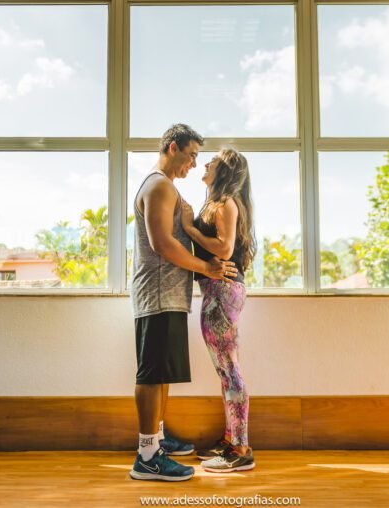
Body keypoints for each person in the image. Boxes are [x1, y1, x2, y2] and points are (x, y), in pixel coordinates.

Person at [129, 124, 238, 482]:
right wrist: (207, 266)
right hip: (158, 294)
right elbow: (162, 244)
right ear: (172, 147)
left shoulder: (166, 187)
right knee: (150, 373)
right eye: (191, 155)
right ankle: (147, 456)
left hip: (168, 294)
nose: (194, 164)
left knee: (160, 372)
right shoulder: (159, 185)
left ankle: (157, 439)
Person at [180, 147, 256, 473]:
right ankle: (230, 440)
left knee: (229, 369)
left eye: (213, 160)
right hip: (218, 290)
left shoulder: (225, 203)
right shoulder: (217, 202)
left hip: (223, 290)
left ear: (224, 170)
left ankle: (240, 449)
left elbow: (224, 248)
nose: (205, 162)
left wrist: (191, 230)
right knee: (225, 370)